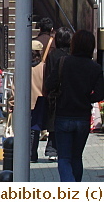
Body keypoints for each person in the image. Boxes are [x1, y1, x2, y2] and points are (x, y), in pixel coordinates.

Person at [45, 30, 104, 182]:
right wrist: (86, 97)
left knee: (64, 158)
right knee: (76, 157)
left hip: (63, 114)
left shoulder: (63, 62)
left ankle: (69, 190)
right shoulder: (95, 67)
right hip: (83, 116)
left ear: (74, 44)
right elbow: (99, 94)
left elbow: (49, 85)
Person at [42, 27, 73, 161]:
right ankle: (62, 150)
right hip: (70, 94)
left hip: (54, 93)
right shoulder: (72, 55)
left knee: (54, 122)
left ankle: (52, 149)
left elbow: (48, 75)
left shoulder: (52, 55)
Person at [30, 40, 46, 163]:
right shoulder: (43, 67)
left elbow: (14, 87)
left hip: (25, 102)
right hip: (40, 101)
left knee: (24, 130)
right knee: (35, 129)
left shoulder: (22, 66)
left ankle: (27, 154)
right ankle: (32, 154)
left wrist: (11, 102)